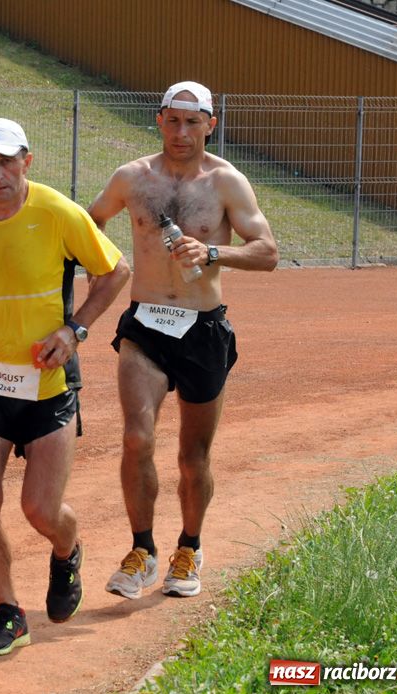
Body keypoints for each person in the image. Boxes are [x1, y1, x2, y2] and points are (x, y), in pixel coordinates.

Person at [0, 118, 130, 655]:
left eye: (7, 161)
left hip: (49, 383)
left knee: (40, 509)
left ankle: (67, 550)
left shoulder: (57, 212)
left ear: (27, 162)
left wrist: (74, 328)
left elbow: (115, 270)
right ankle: (9, 612)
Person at [87, 81, 277, 601]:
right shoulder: (132, 177)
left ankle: (189, 547)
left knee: (193, 456)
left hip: (202, 330)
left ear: (210, 125)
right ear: (159, 120)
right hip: (145, 323)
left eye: (193, 122)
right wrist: (97, 270)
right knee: (136, 438)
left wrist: (214, 254)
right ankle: (142, 550)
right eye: (173, 120)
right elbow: (87, 227)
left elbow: (267, 251)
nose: (181, 132)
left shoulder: (226, 183)